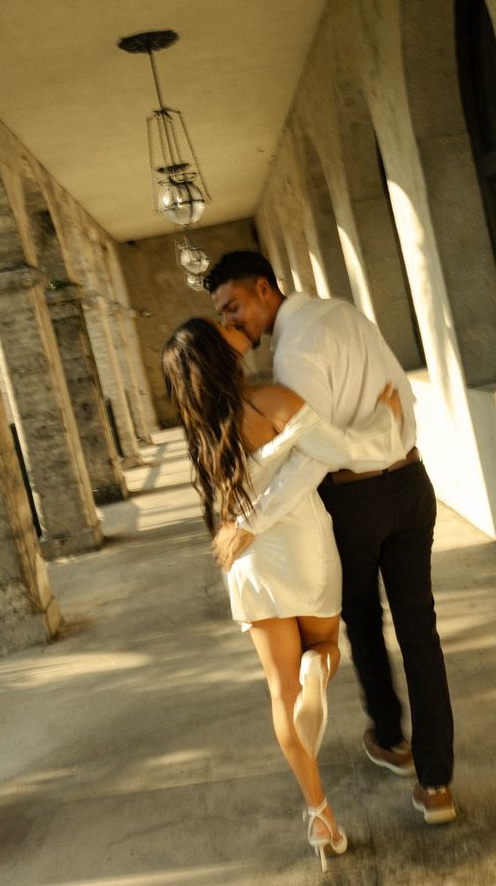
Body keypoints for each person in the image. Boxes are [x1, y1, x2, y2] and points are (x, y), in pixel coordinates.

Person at [206, 250, 457, 824]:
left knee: (364, 621)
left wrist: (249, 522)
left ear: (265, 290)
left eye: (234, 306)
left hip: (354, 497)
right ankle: (437, 783)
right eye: (222, 316)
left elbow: (309, 460)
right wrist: (389, 435)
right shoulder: (345, 314)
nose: (231, 322)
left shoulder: (294, 351)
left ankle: (393, 742)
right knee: (420, 629)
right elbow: (402, 397)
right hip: (412, 482)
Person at [162, 317, 405, 871]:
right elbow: (331, 451)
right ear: (219, 359)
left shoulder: (201, 434)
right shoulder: (269, 400)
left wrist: (246, 521)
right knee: (326, 650)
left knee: (280, 693)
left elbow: (230, 505)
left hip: (249, 565)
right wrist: (383, 418)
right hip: (302, 546)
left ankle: (319, 814)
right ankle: (318, 667)